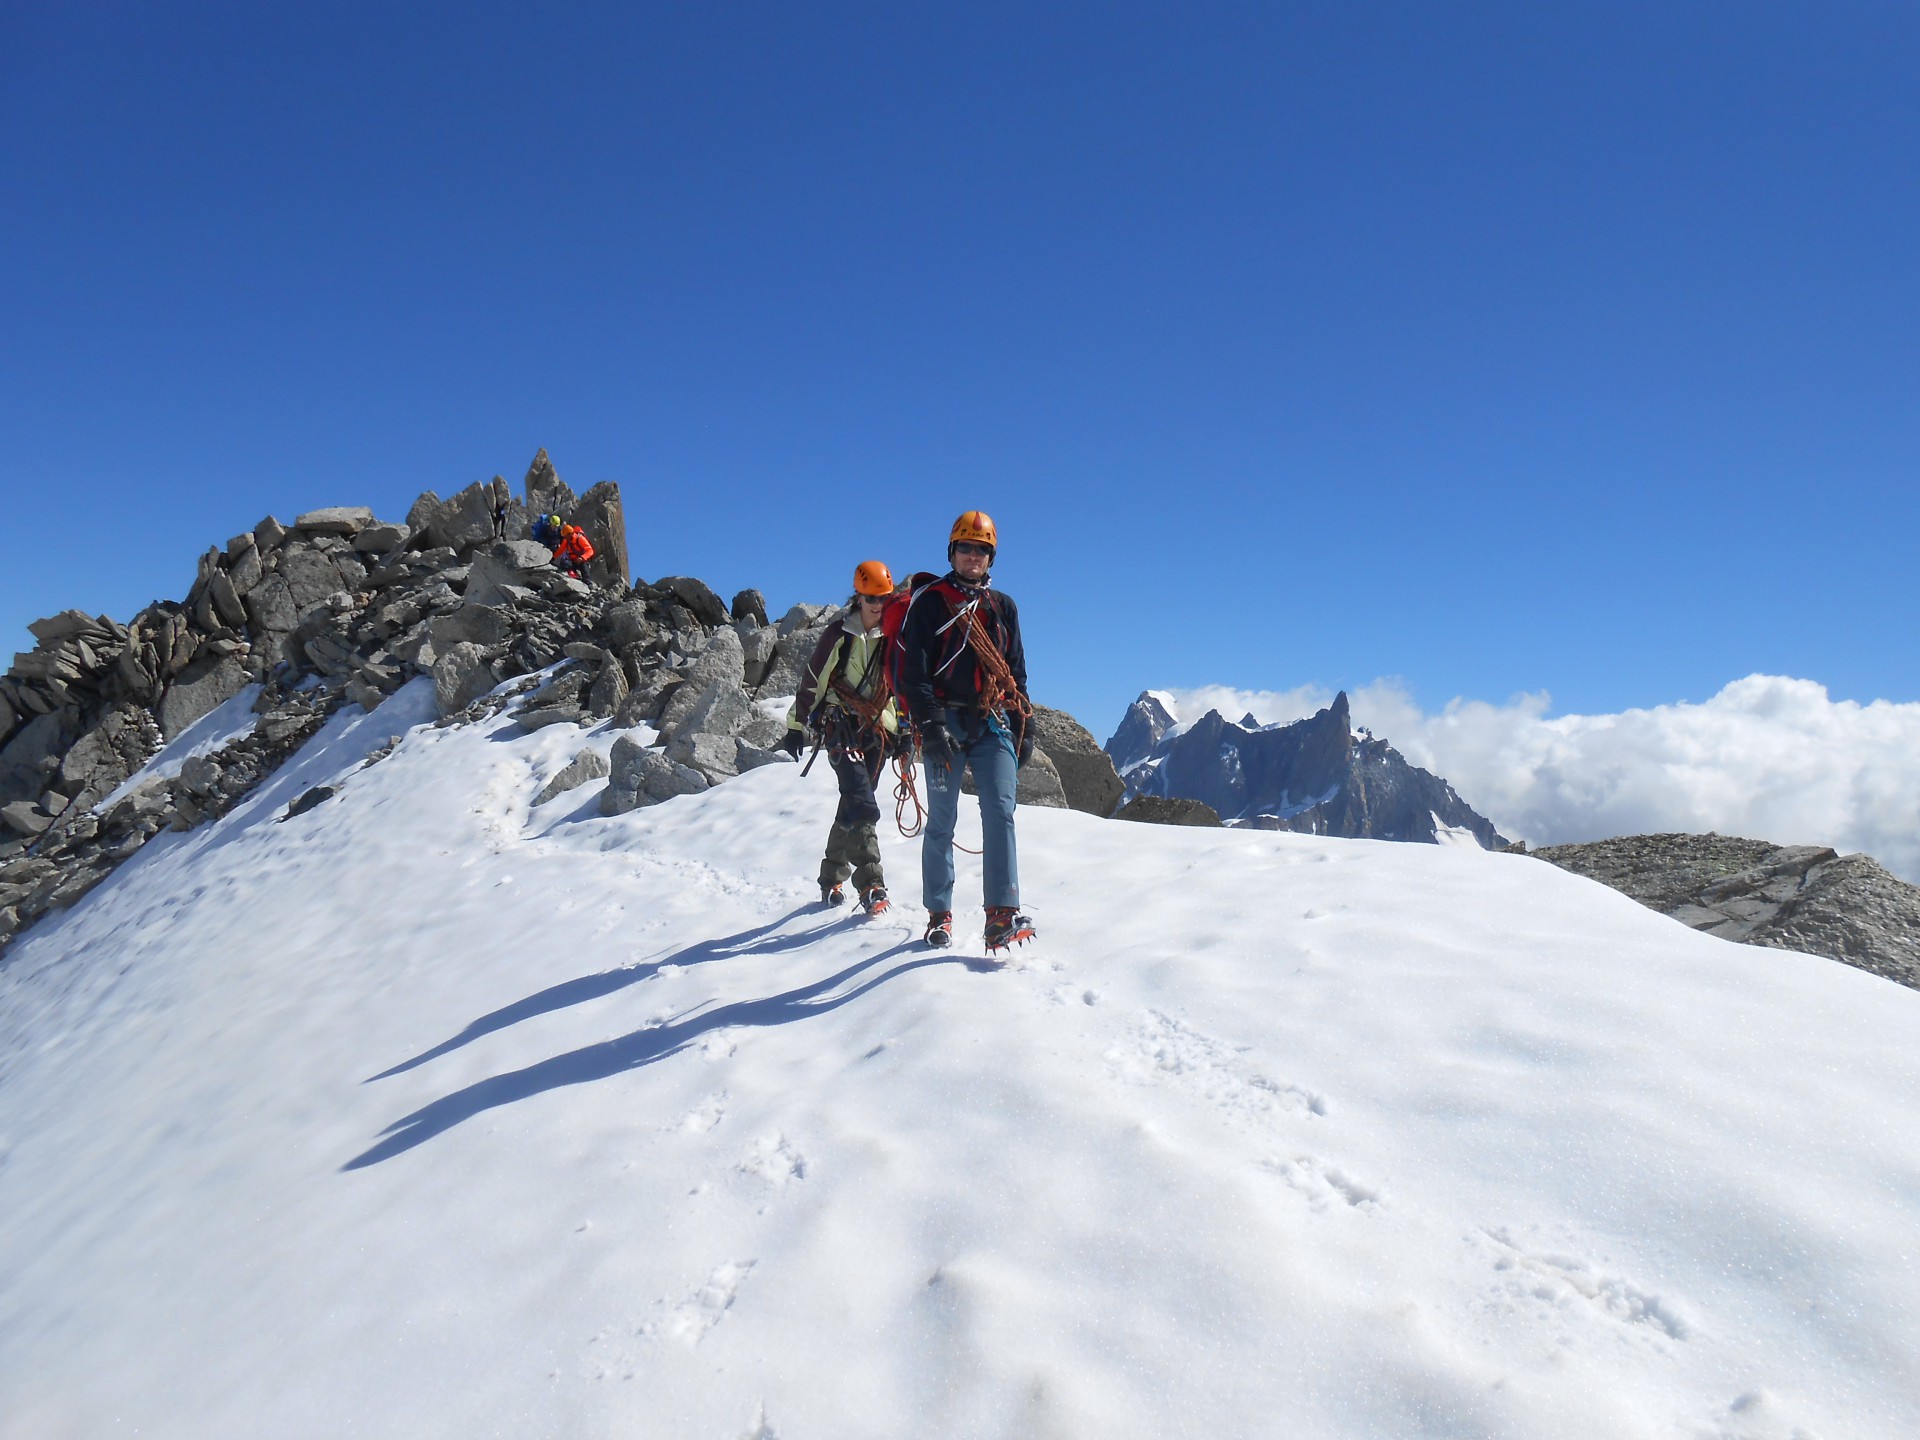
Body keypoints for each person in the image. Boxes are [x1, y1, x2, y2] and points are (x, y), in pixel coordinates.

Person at [895, 511, 1036, 952]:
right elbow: (910, 672)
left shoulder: (1002, 608)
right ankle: (939, 915)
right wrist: (931, 726)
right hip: (944, 721)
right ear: (952, 552)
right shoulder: (931, 603)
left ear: (991, 557)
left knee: (1001, 812)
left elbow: (1015, 672)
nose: (973, 556)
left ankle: (1001, 914)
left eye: (981, 549)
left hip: (991, 720)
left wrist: (1023, 729)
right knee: (941, 821)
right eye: (966, 548)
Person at [780, 560, 902, 914]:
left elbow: (900, 685)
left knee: (852, 805)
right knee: (863, 802)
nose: (877, 605)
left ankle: (831, 877)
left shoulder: (893, 637)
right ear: (858, 596)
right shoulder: (838, 634)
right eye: (870, 598)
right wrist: (795, 725)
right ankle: (871, 884)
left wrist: (904, 731)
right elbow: (812, 681)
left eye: (883, 598)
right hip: (840, 726)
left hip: (878, 729)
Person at [532, 513, 596, 579]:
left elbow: (590, 550)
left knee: (584, 566)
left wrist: (582, 558)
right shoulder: (565, 539)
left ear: (570, 534)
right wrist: (553, 558)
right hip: (572, 559)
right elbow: (561, 550)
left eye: (566, 536)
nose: (565, 537)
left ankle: (588, 583)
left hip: (581, 560)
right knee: (564, 563)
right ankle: (574, 574)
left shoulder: (580, 539)